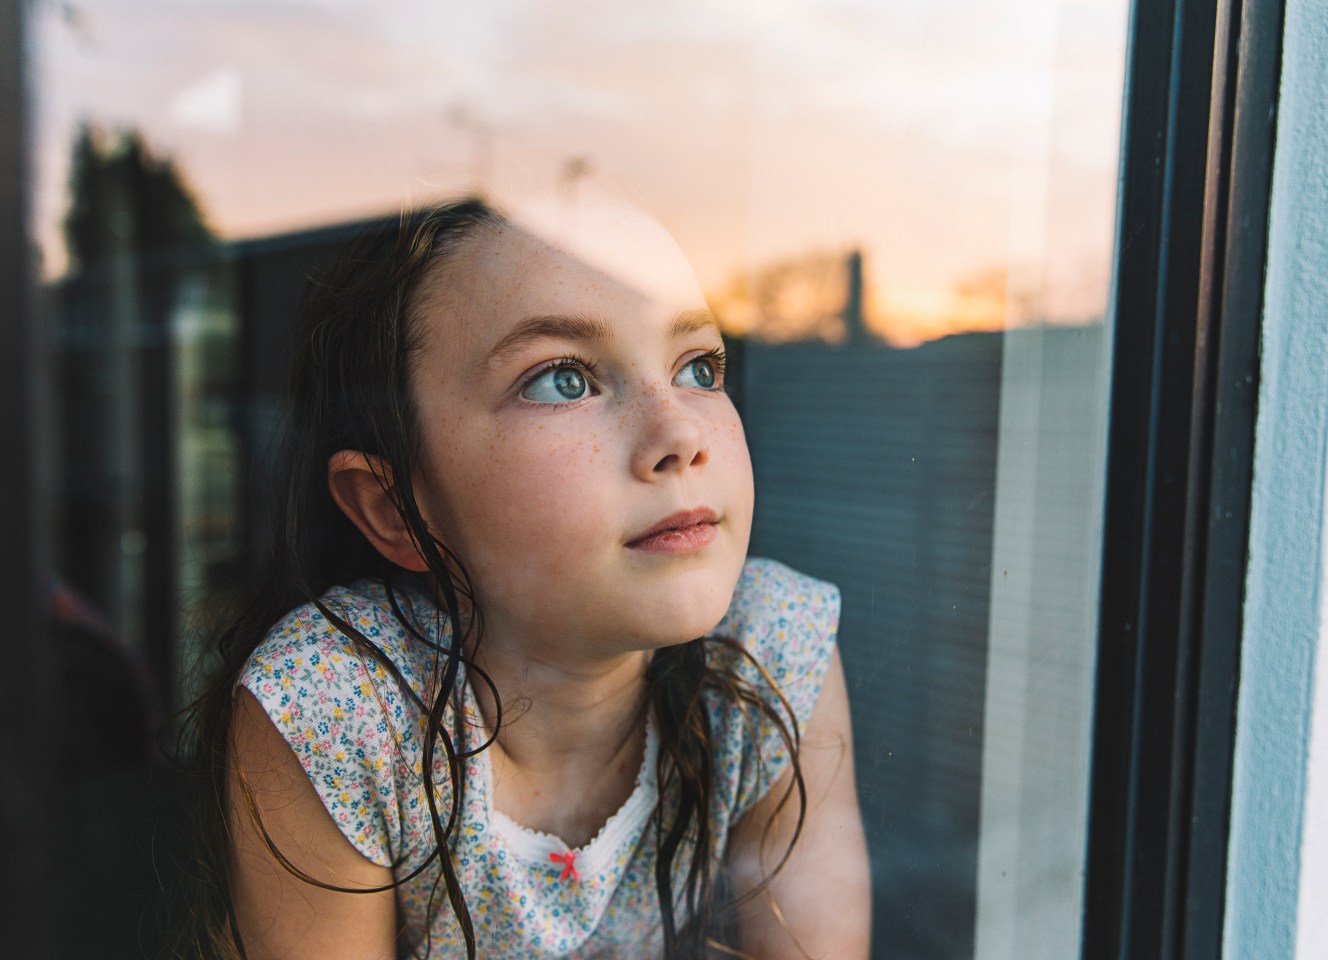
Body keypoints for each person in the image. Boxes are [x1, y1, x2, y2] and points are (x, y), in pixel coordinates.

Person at [181, 197, 871, 959]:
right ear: (398, 510)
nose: (679, 433)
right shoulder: (338, 703)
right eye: (562, 382)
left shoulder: (771, 646)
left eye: (698, 367)